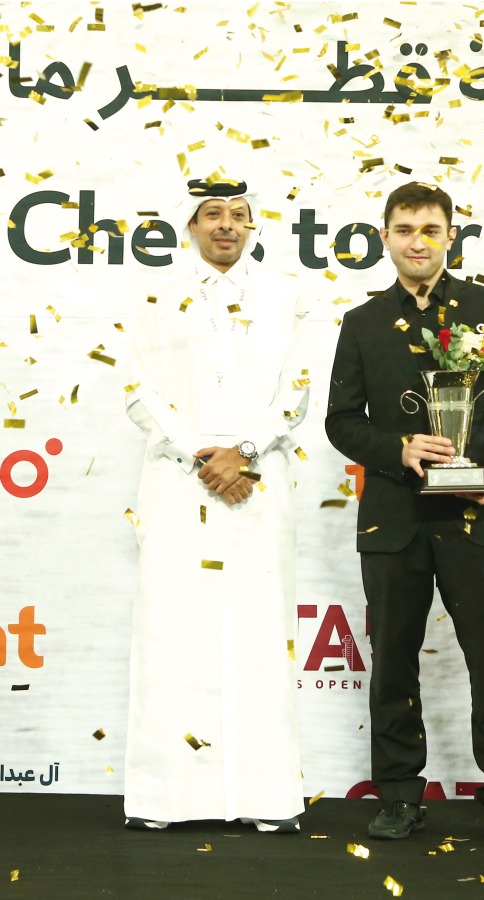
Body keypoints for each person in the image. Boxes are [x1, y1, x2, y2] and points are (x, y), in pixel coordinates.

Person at [325, 181, 484, 842]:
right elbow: (340, 421)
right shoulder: (362, 324)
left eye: (429, 229)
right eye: (404, 229)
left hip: (474, 516)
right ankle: (398, 792)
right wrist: (397, 448)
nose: (416, 241)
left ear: (451, 236)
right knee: (392, 658)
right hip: (392, 520)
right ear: (384, 237)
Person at [124, 178, 310, 832]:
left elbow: (298, 390)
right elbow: (136, 391)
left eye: (237, 215)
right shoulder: (153, 296)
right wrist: (203, 455)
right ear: (191, 226)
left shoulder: (284, 295)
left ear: (253, 226)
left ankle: (268, 801)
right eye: (212, 215)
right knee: (172, 635)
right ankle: (162, 800)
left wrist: (246, 450)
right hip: (178, 488)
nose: (225, 226)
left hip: (260, 486)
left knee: (261, 636)